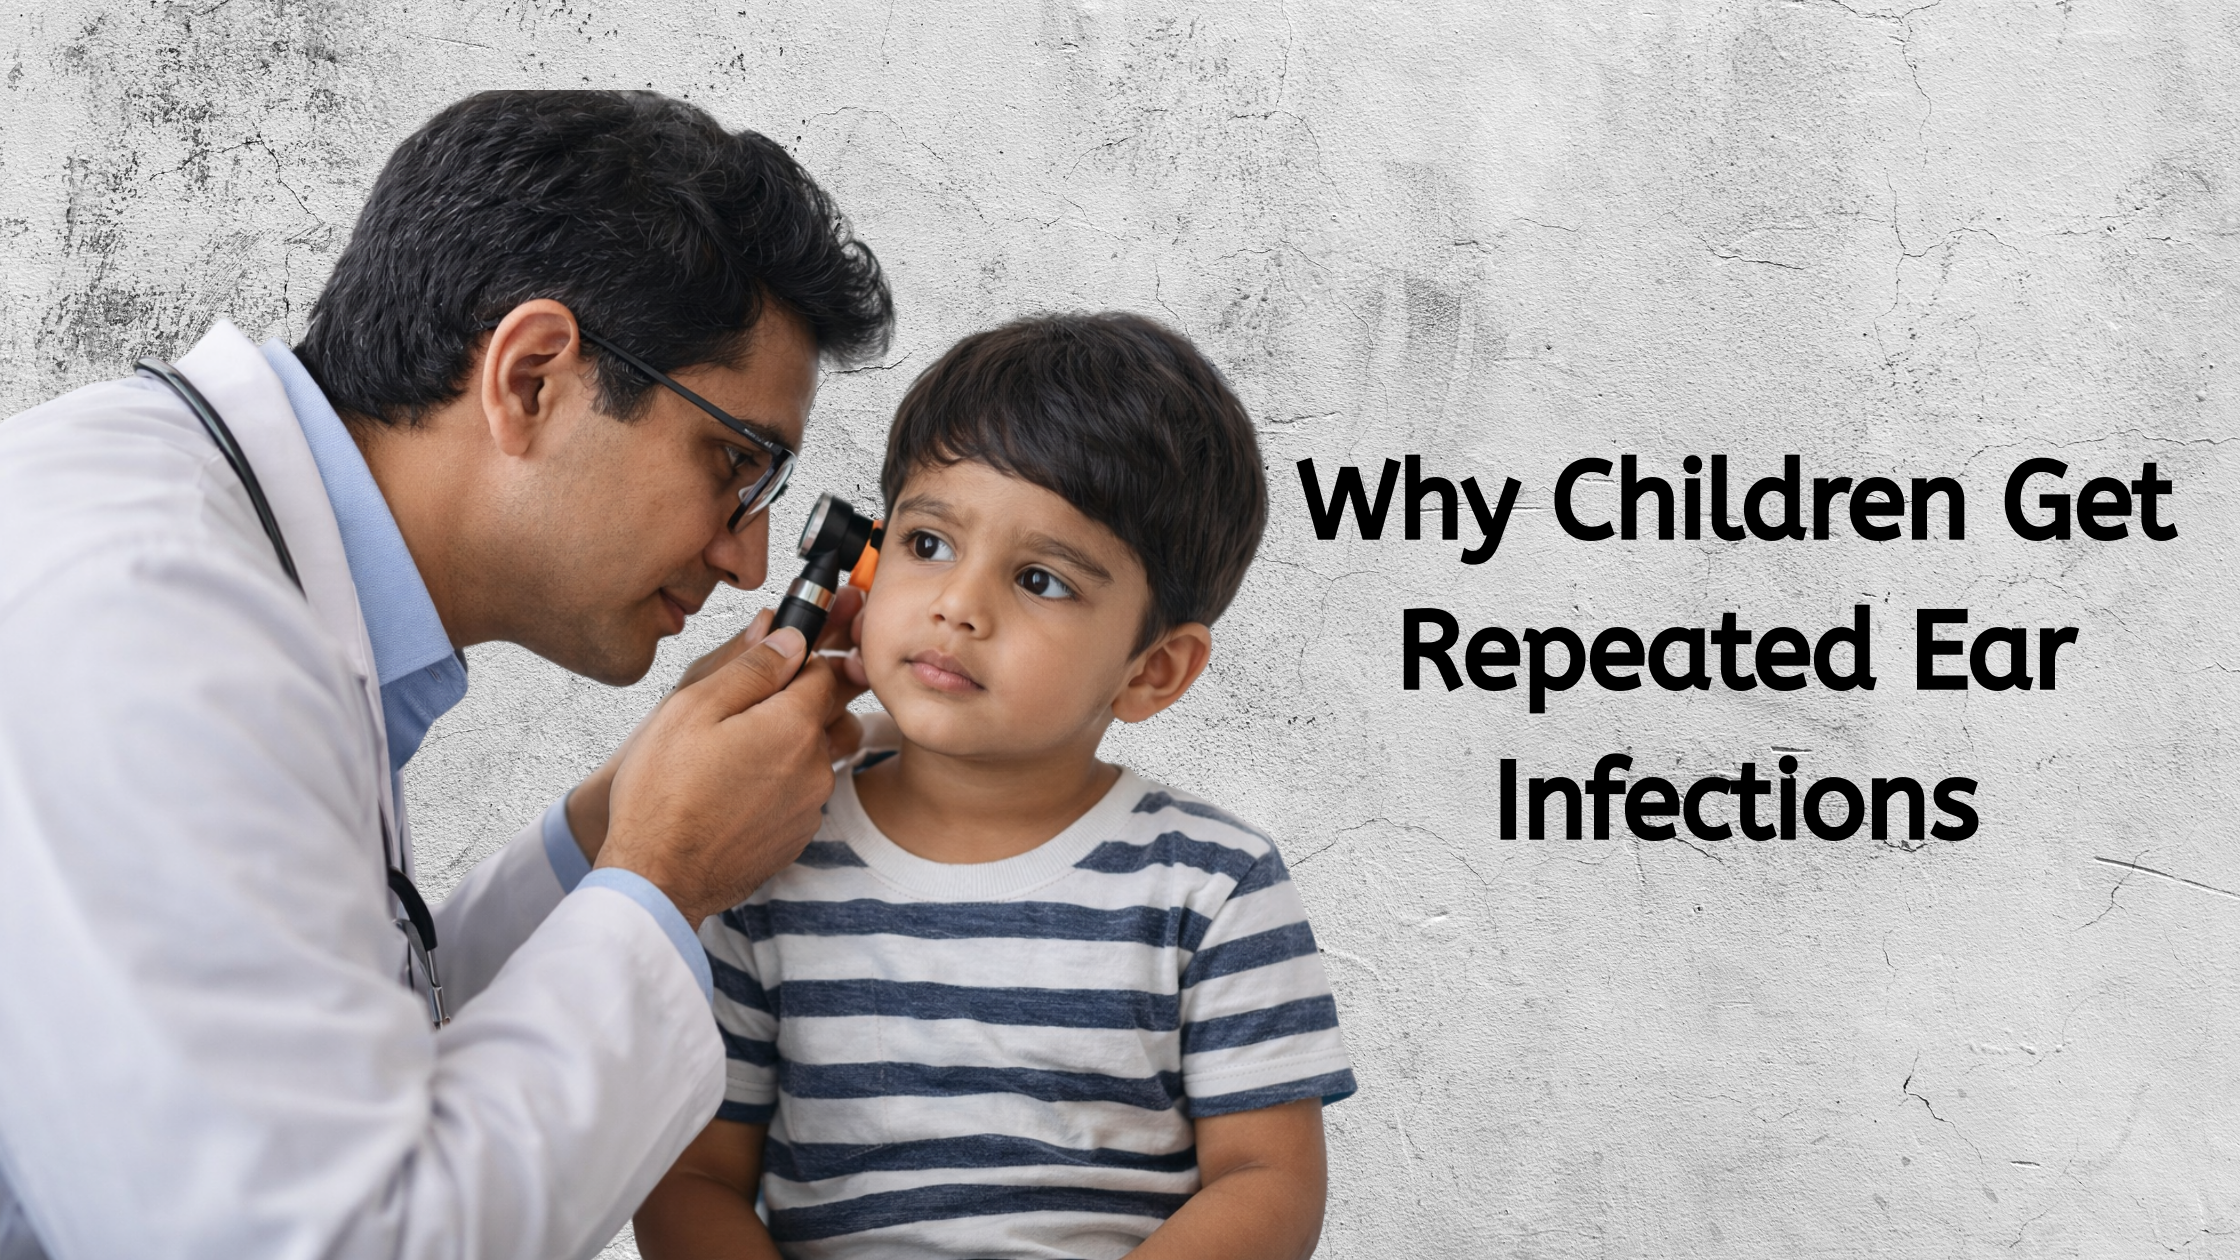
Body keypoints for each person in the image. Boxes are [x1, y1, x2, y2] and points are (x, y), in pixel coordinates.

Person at [0, 91, 894, 1259]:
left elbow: (335, 1059)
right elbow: (320, 1237)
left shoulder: (232, 566)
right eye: (734, 462)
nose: (748, 559)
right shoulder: (152, 616)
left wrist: (622, 820)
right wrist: (666, 874)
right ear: (530, 376)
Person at [633, 313, 1357, 1260]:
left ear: (1154, 671)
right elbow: (691, 1180)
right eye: (928, 545)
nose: (958, 606)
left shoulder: (1214, 887)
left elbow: (1271, 1182)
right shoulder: (764, 851)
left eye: (1041, 580)